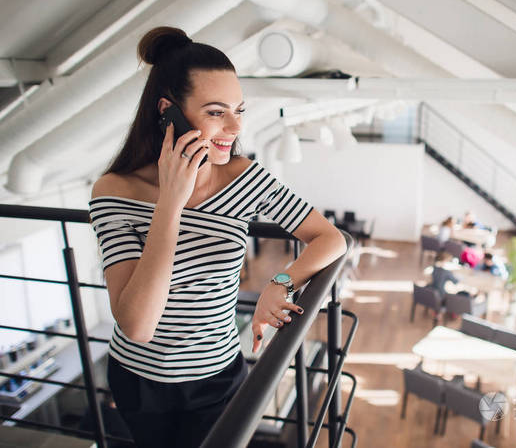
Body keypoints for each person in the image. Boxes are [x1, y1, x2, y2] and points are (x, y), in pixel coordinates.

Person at [88, 27, 346, 448]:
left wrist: (279, 284)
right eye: (215, 112)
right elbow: (137, 324)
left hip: (217, 378)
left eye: (238, 110)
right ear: (168, 112)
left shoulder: (243, 176)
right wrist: (172, 201)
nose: (234, 126)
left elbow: (331, 239)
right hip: (137, 382)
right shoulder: (114, 192)